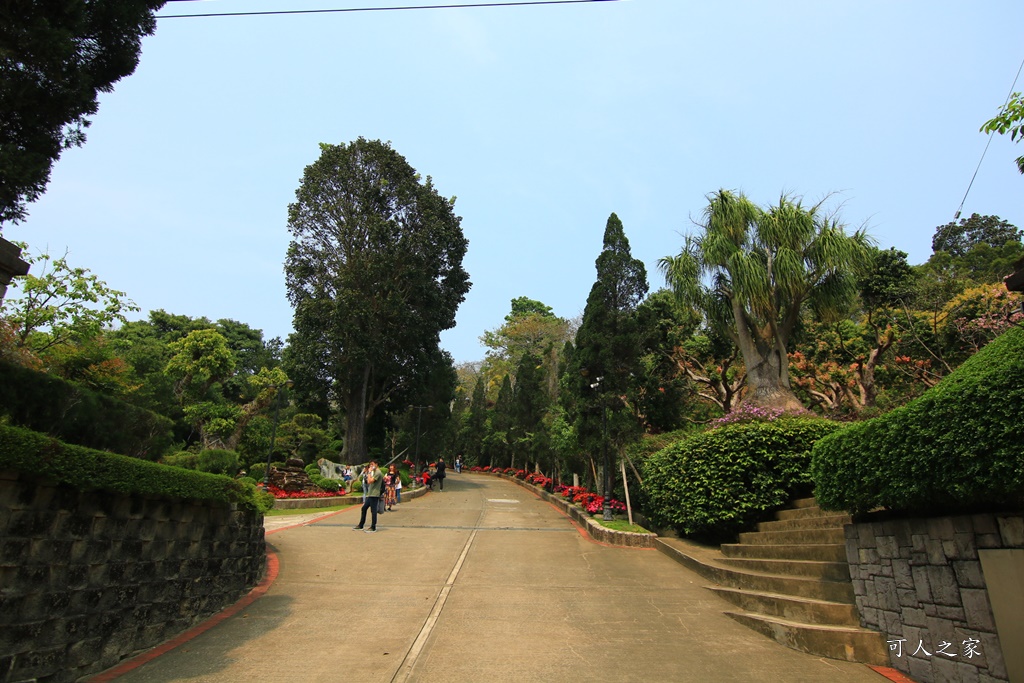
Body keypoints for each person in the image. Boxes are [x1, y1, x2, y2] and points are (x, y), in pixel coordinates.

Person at [353, 461, 384, 533]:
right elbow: (367, 481)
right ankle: (361, 525)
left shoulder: (378, 473)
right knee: (364, 508)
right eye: (370, 465)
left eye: (372, 464)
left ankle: (373, 527)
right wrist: (369, 473)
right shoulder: (374, 472)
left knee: (373, 511)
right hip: (370, 494)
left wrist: (369, 472)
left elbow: (370, 481)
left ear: (376, 464)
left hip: (374, 494)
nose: (371, 466)